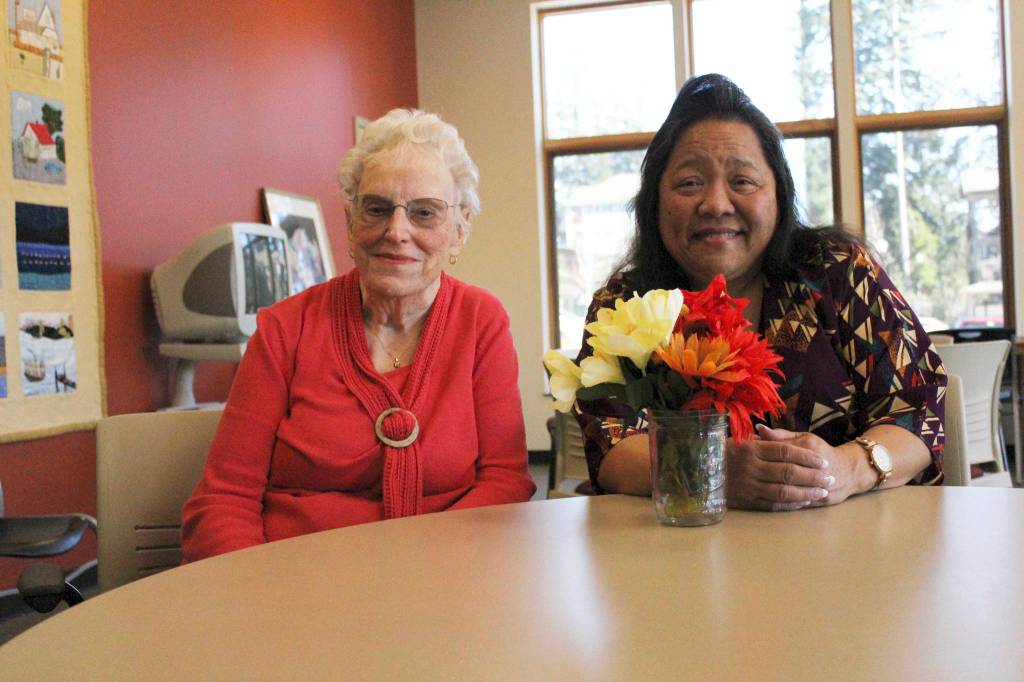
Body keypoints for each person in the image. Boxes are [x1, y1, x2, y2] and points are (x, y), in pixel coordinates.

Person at [575, 74, 945, 511]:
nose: (716, 204)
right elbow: (612, 445)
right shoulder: (625, 305)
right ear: (654, 202)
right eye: (689, 183)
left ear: (779, 195)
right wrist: (718, 470)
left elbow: (919, 409)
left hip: (850, 541)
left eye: (743, 181)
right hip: (681, 545)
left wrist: (846, 469)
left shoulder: (838, 274)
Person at [182, 109, 535, 561]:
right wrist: (260, 591)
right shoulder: (284, 329)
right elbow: (224, 500)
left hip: (444, 576)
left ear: (459, 229)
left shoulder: (481, 321)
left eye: (424, 213)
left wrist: (423, 573)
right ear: (351, 222)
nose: (396, 231)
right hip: (295, 580)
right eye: (377, 209)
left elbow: (505, 482)